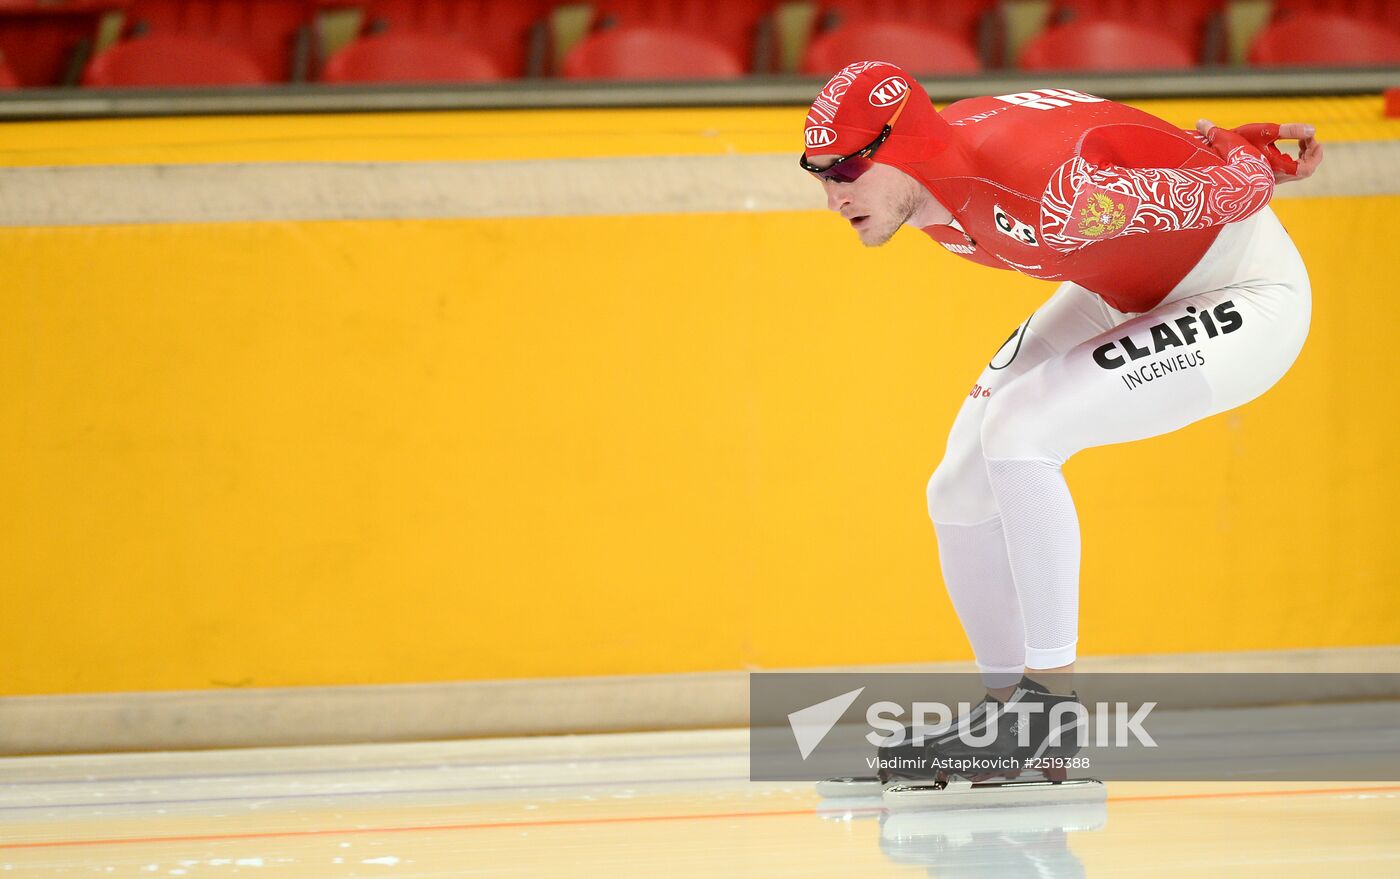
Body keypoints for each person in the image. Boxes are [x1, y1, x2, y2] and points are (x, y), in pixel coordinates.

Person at [800, 61, 1323, 784]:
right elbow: (1120, 141)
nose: (832, 198)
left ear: (903, 146)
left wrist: (1241, 152)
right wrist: (1218, 147)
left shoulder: (1043, 194)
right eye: (817, 175)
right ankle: (1006, 707)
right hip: (1130, 287)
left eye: (845, 173)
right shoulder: (935, 180)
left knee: (1019, 428)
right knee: (957, 487)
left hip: (1246, 295)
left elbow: (1228, 192)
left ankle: (1048, 712)